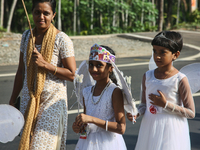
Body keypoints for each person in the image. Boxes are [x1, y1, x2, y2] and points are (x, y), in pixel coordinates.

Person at [9, 0, 76, 149]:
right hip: (29, 102)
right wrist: (13, 99)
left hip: (51, 104)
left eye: (46, 13)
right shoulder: (27, 37)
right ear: (32, 13)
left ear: (53, 15)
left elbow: (72, 74)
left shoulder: (62, 39)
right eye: (37, 12)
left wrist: (46, 65)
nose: (41, 16)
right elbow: (21, 71)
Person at [127, 31, 195, 150]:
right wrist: (136, 113)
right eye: (155, 51)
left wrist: (166, 105)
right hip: (150, 127)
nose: (157, 56)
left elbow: (191, 112)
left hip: (172, 130)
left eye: (162, 52)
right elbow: (144, 105)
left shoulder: (180, 79)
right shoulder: (147, 76)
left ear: (175, 55)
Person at [72, 44, 127, 150]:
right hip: (88, 143)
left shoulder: (114, 92)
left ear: (110, 68)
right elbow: (87, 122)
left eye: (99, 65)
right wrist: (79, 127)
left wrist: (92, 119)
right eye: (91, 64)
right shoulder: (86, 92)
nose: (93, 69)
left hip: (108, 143)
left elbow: (121, 128)